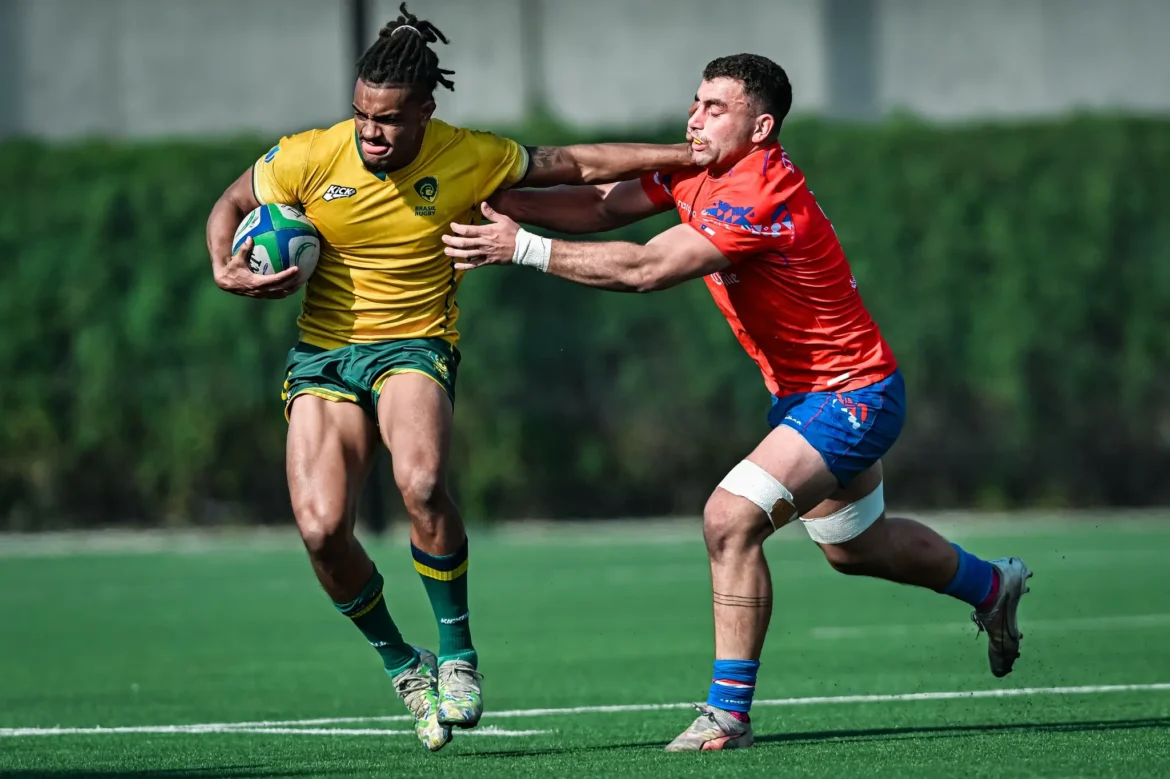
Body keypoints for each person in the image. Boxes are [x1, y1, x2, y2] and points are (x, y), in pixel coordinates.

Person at [442, 52, 1033, 752]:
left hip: (852, 394)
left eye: (714, 108)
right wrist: (499, 202)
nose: (694, 118)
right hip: (806, 396)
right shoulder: (697, 169)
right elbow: (602, 205)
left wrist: (522, 247)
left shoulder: (761, 190)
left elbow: (646, 268)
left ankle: (728, 715)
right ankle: (992, 586)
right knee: (854, 547)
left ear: (762, 125)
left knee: (729, 520)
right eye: (695, 102)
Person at [203, 3, 691, 753]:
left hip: (415, 344)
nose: (372, 132)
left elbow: (581, 163)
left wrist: (688, 156)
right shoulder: (308, 154)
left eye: (391, 120)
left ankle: (457, 651)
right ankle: (405, 664)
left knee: (423, 485)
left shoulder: (473, 155)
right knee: (321, 529)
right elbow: (234, 202)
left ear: (426, 111)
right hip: (325, 357)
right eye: (363, 114)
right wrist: (223, 267)